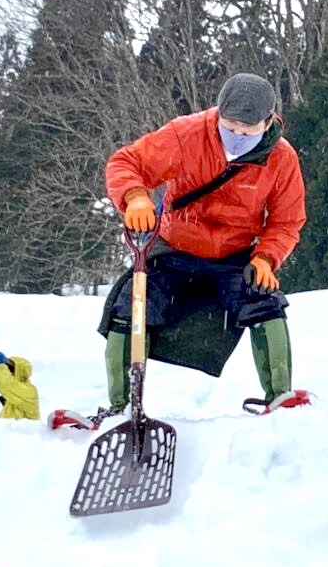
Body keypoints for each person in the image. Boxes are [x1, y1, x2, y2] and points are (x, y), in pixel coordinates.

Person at [98, 73, 306, 414]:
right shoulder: (188, 133)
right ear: (218, 114)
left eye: (247, 130)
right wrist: (135, 197)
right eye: (230, 127)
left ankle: (280, 397)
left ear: (268, 122)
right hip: (175, 247)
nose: (237, 136)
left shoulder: (282, 158)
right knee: (130, 306)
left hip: (236, 255)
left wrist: (267, 258)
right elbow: (127, 162)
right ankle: (121, 405)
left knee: (266, 304)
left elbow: (287, 220)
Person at [0, 352, 39, 420]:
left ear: (20, 372)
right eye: (6, 367)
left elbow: (5, 383)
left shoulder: (30, 390)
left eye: (10, 368)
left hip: (24, 430)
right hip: (13, 428)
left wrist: (0, 367)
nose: (7, 370)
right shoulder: (15, 389)